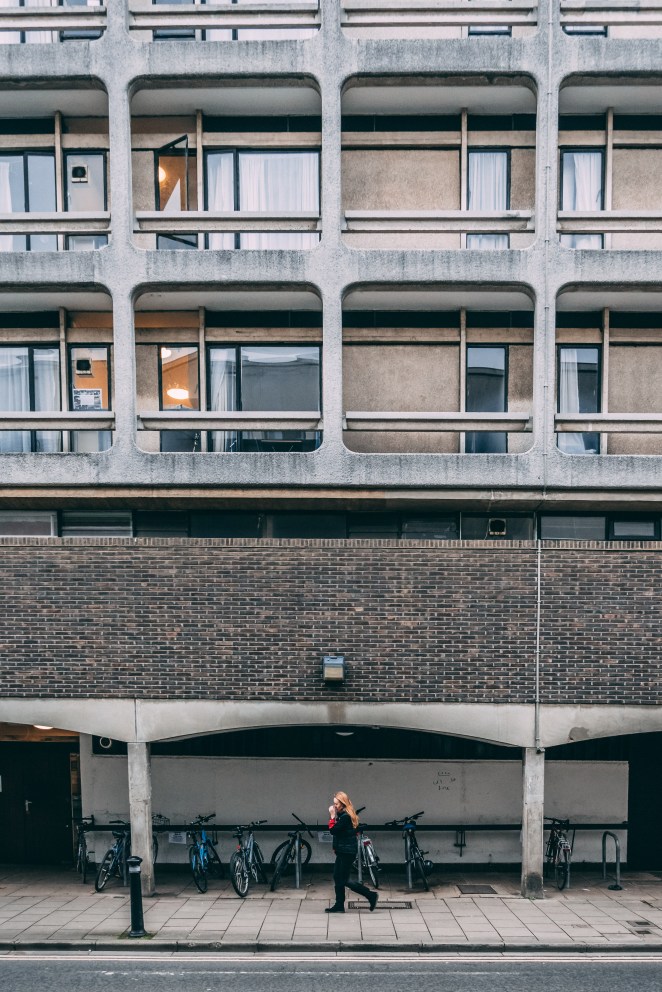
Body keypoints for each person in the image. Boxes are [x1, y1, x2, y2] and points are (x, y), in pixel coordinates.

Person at [325, 791, 378, 913]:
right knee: (337, 877)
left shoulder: (345, 817)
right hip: (343, 851)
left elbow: (333, 830)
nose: (334, 807)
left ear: (343, 804)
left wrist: (332, 816)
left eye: (336, 804)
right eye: (334, 804)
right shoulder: (344, 814)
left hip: (347, 852)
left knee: (344, 879)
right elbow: (340, 834)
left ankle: (371, 895)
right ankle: (339, 905)